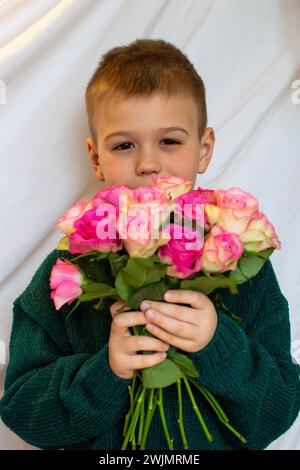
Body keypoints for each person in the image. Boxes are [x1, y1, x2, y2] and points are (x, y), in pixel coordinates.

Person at [0, 38, 299, 451]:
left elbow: (280, 408)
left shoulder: (240, 262)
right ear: (96, 158)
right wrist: (104, 371)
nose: (147, 164)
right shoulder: (67, 269)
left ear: (204, 149)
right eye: (124, 145)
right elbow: (20, 407)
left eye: (170, 141)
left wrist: (218, 345)